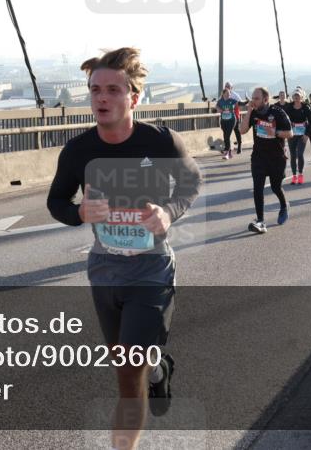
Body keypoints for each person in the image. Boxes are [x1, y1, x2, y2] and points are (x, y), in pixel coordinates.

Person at [46, 48, 202, 448]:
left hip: (151, 269)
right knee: (130, 361)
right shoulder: (78, 151)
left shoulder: (162, 141)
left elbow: (190, 185)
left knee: (126, 375)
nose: (101, 98)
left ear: (134, 98)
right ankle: (158, 367)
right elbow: (56, 202)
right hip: (104, 268)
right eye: (95, 89)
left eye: (113, 89)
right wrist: (79, 213)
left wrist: (168, 212)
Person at [238, 86, 293, 232]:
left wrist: (275, 132)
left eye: (256, 98)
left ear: (266, 99)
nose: (253, 101)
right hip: (259, 157)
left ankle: (283, 205)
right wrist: (249, 111)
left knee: (276, 187)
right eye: (252, 98)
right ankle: (261, 221)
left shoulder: (277, 112)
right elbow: (242, 130)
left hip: (276, 158)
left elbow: (290, 133)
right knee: (258, 188)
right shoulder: (253, 113)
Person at [282, 88, 311, 185]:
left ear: (301, 97)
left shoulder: (306, 107)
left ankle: (300, 175)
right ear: (293, 98)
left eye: (298, 96)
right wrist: (287, 129)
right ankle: (294, 176)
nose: (296, 98)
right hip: (292, 134)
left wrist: (307, 134)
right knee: (293, 155)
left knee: (300, 154)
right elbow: (284, 118)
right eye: (295, 96)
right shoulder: (289, 107)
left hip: (302, 134)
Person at [224, 81, 246, 154]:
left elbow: (241, 103)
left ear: (231, 88)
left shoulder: (235, 95)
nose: (227, 87)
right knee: (226, 132)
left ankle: (239, 146)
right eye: (226, 86)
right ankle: (227, 147)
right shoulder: (223, 95)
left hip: (235, 115)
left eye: (228, 86)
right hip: (226, 116)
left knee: (237, 131)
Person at [216, 88, 238, 159]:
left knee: (227, 136)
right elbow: (216, 106)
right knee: (225, 135)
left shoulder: (232, 100)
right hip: (223, 121)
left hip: (231, 120)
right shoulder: (220, 101)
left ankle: (227, 152)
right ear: (223, 94)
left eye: (229, 93)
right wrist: (219, 109)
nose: (229, 94)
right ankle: (230, 152)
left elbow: (239, 103)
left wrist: (247, 102)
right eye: (227, 93)